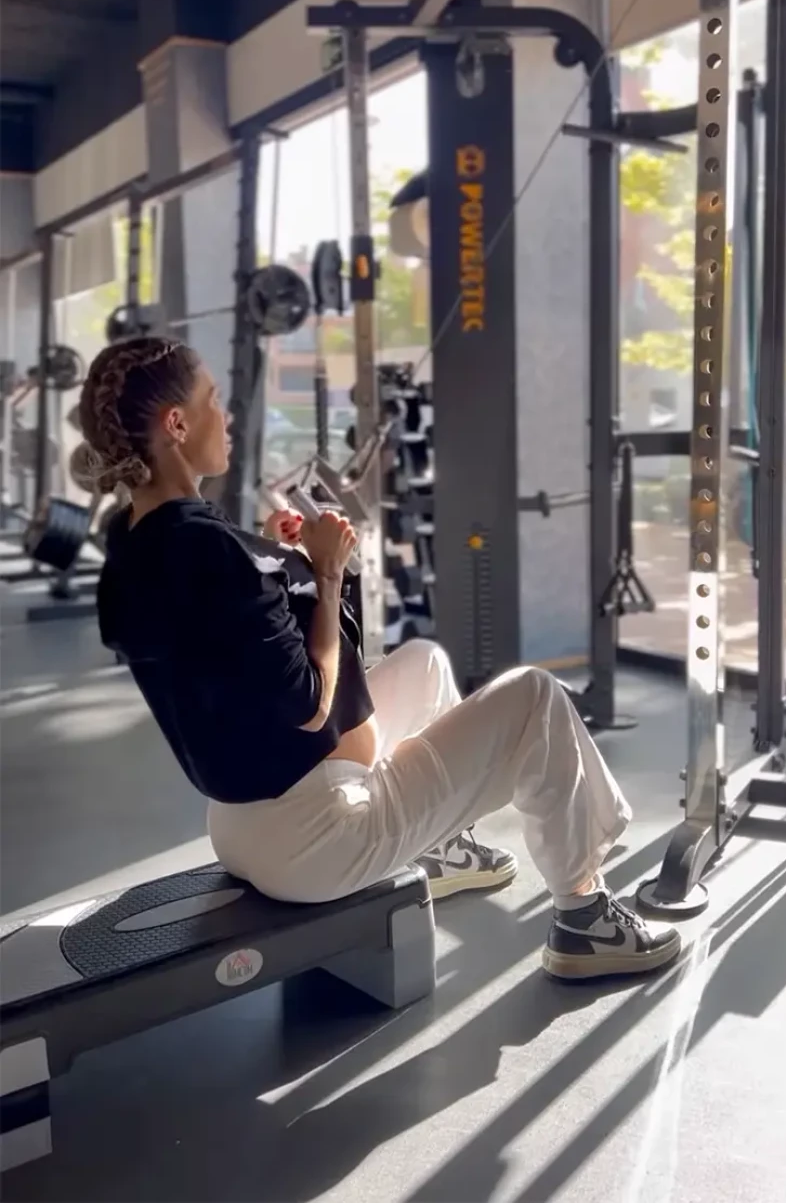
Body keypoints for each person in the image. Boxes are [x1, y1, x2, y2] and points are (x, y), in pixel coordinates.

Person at [74, 336, 681, 983]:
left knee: (422, 662)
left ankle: (443, 852)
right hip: (317, 841)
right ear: (176, 424)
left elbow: (229, 641)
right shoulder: (211, 553)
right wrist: (328, 576)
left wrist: (291, 566)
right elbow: (309, 707)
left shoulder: (134, 542)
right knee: (535, 698)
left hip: (241, 824)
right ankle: (586, 920)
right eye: (213, 400)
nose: (224, 415)